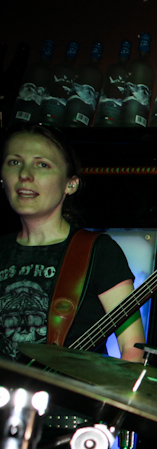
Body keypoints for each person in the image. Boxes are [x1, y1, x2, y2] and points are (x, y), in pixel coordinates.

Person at [0, 123, 144, 362]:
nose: (25, 174)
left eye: (42, 164)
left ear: (71, 184)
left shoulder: (97, 251)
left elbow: (133, 347)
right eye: (14, 162)